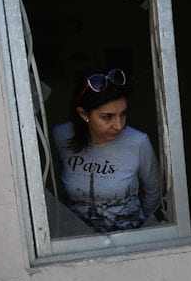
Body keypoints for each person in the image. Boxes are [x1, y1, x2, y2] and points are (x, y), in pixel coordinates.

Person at [51, 68, 162, 233]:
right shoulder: (61, 136)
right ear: (84, 114)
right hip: (77, 243)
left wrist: (138, 230)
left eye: (123, 114)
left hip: (128, 240)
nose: (119, 125)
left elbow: (154, 191)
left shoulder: (138, 142)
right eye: (107, 117)